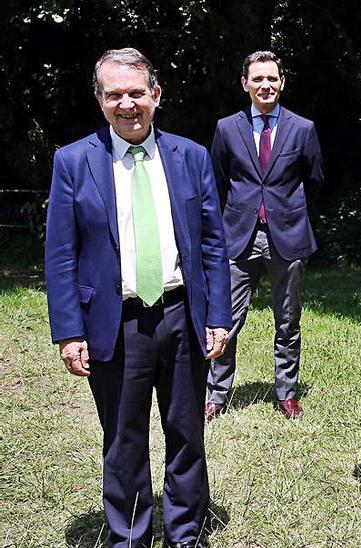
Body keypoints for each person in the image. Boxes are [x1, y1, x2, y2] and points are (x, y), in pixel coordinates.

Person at [45, 48, 231, 548]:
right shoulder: (73, 161)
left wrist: (217, 315)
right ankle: (129, 537)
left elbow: (214, 244)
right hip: (116, 323)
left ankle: (185, 533)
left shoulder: (191, 157)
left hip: (180, 316)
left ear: (156, 94)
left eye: (136, 93)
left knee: (187, 434)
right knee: (124, 440)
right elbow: (61, 254)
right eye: (114, 95)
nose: (127, 104)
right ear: (100, 100)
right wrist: (68, 331)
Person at [206, 50, 325, 421]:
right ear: (245, 84)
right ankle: (216, 394)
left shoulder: (302, 128)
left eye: (272, 78)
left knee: (287, 320)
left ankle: (286, 393)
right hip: (238, 236)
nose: (265, 85)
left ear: (282, 82)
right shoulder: (227, 128)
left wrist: (290, 211)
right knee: (224, 320)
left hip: (287, 238)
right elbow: (217, 180)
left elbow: (316, 180)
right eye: (257, 79)